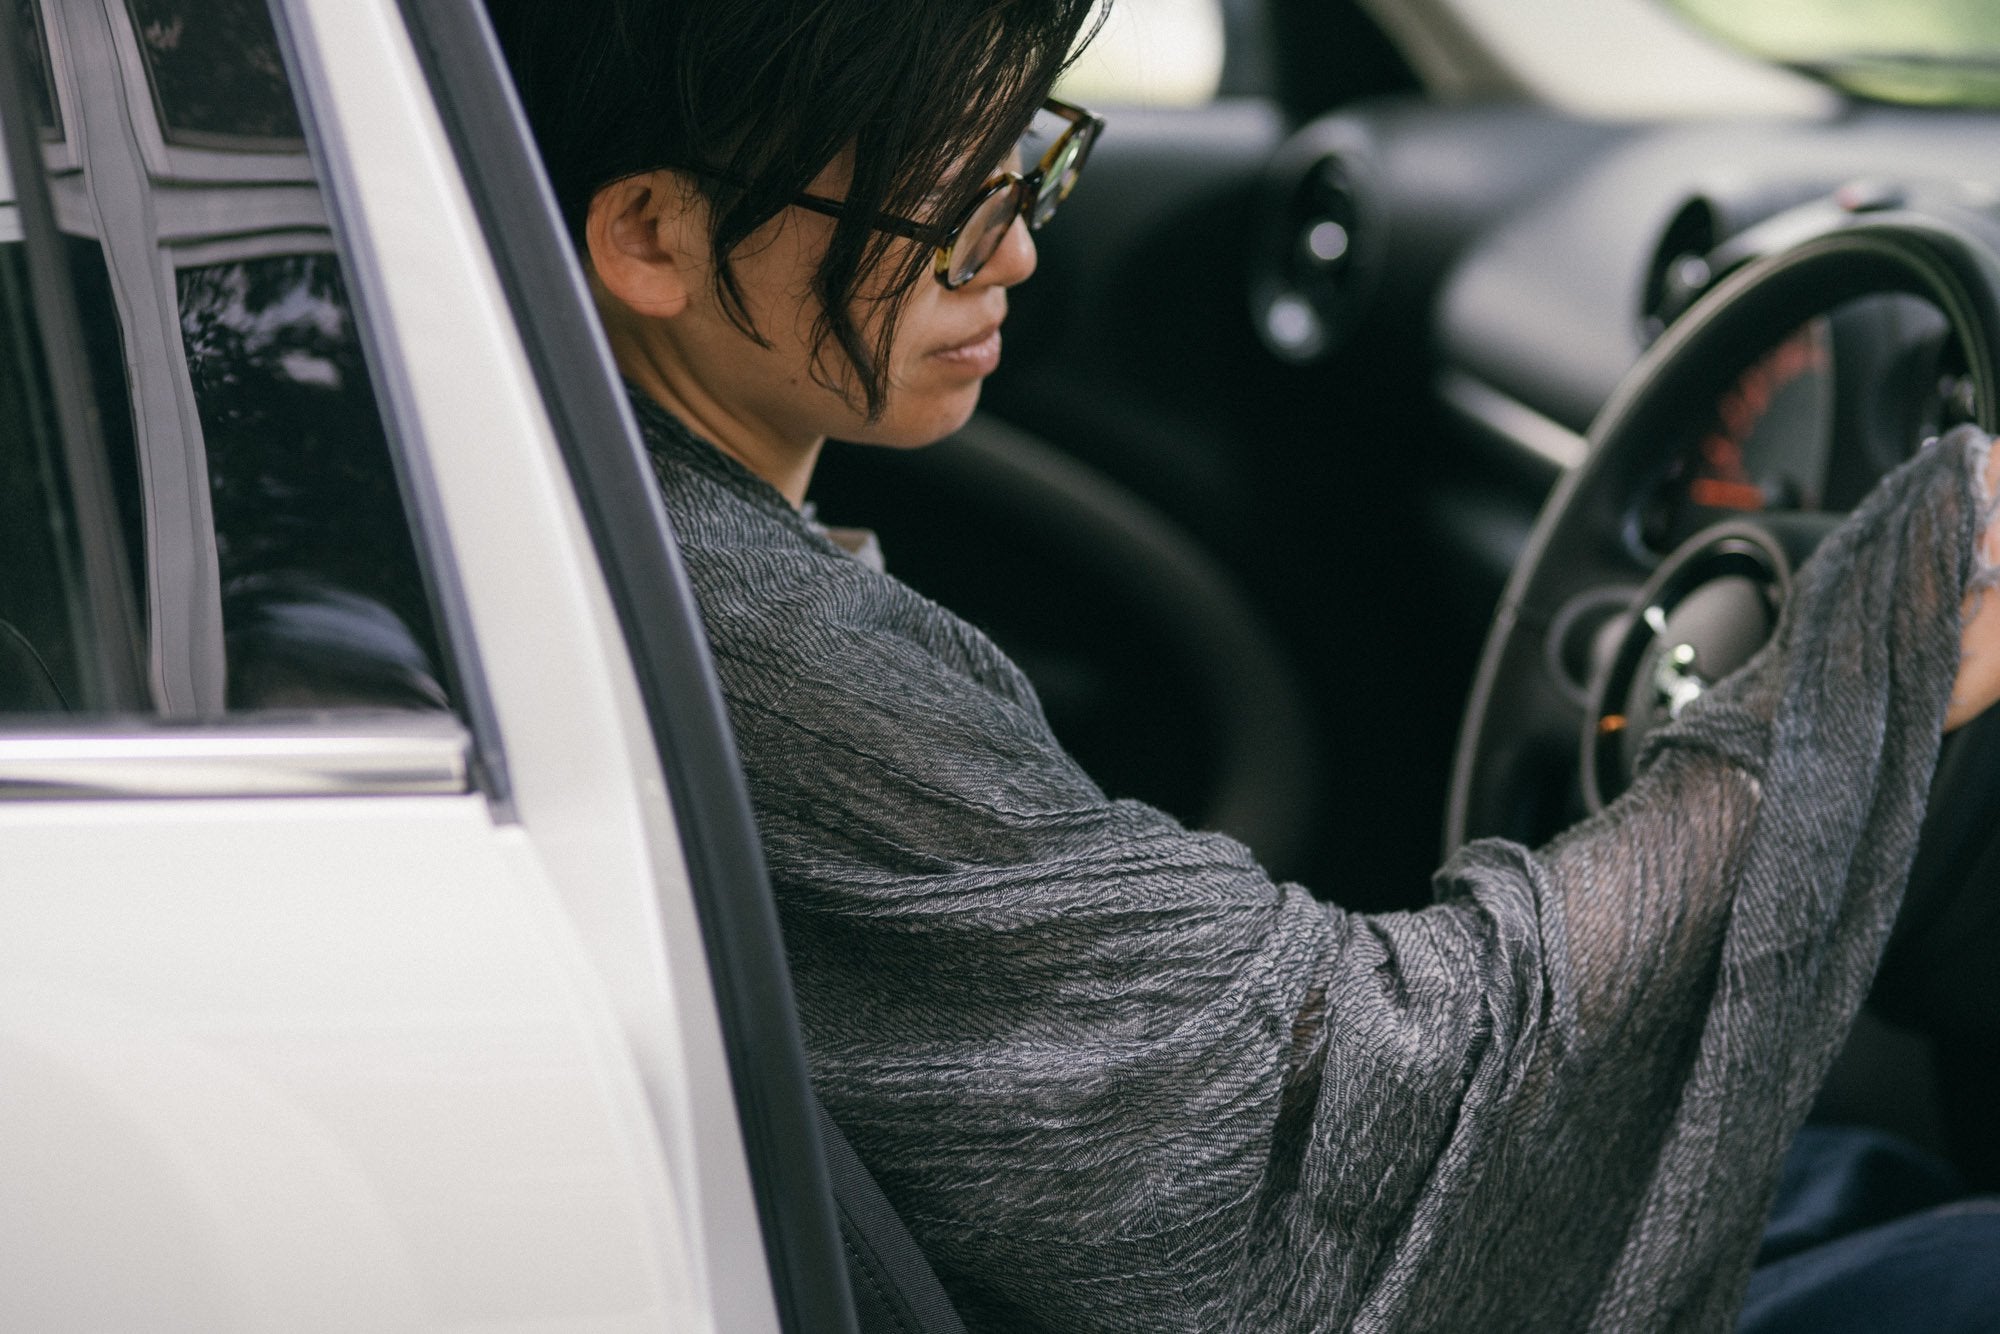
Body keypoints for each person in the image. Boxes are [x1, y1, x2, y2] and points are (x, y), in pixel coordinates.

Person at [486, 1, 2000, 1328]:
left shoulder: (618, 529)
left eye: (1027, 160)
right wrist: (1862, 675)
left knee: (1836, 1171)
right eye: (942, 209)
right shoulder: (752, 645)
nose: (1016, 243)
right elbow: (1329, 1132)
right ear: (652, 238)